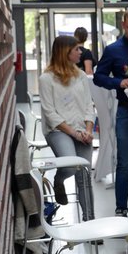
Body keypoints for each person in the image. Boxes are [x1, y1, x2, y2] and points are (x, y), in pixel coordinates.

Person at [38, 35, 95, 220]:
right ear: (65, 52)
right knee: (71, 166)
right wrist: (75, 134)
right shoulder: (46, 79)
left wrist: (87, 130)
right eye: (77, 49)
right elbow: (50, 113)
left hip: (81, 130)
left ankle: (89, 220)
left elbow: (89, 105)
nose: (81, 52)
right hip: (58, 131)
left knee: (85, 175)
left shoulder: (80, 76)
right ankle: (59, 179)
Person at [93, 7, 128, 217]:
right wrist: (118, 82)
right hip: (126, 111)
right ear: (123, 26)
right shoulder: (113, 50)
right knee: (124, 163)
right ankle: (121, 209)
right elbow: (98, 77)